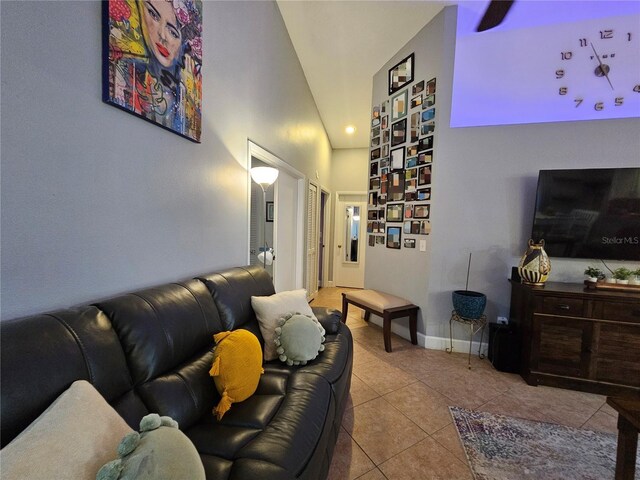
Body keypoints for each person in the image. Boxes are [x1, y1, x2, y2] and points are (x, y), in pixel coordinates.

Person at [106, 0, 202, 141]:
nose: (162, 35)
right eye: (153, 15)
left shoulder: (188, 104)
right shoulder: (122, 70)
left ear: (185, 45)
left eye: (173, 32)